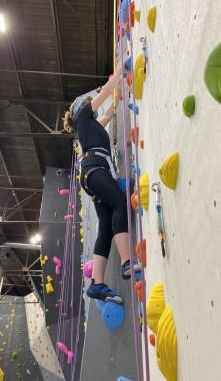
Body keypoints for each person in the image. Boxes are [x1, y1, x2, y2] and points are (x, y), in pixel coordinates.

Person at [63, 71, 140, 304]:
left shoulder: (91, 126)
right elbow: (105, 91)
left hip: (93, 174)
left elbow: (108, 112)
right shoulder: (82, 117)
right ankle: (127, 262)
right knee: (119, 202)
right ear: (81, 109)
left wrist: (117, 97)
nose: (91, 104)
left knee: (106, 226)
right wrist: (120, 73)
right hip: (95, 169)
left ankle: (97, 284)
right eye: (88, 103)